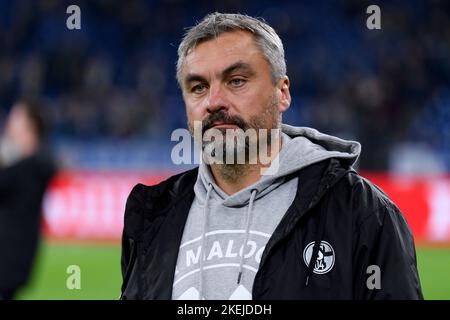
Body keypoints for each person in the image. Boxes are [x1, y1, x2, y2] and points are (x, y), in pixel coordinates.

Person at [120, 13, 423, 300]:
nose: (214, 101)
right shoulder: (151, 217)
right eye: (198, 87)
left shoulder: (362, 213)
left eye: (236, 81)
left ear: (282, 93)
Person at [0, 99, 56, 300]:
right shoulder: (32, 165)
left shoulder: (30, 169)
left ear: (30, 127)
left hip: (8, 260)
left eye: (15, 119)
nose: (9, 124)